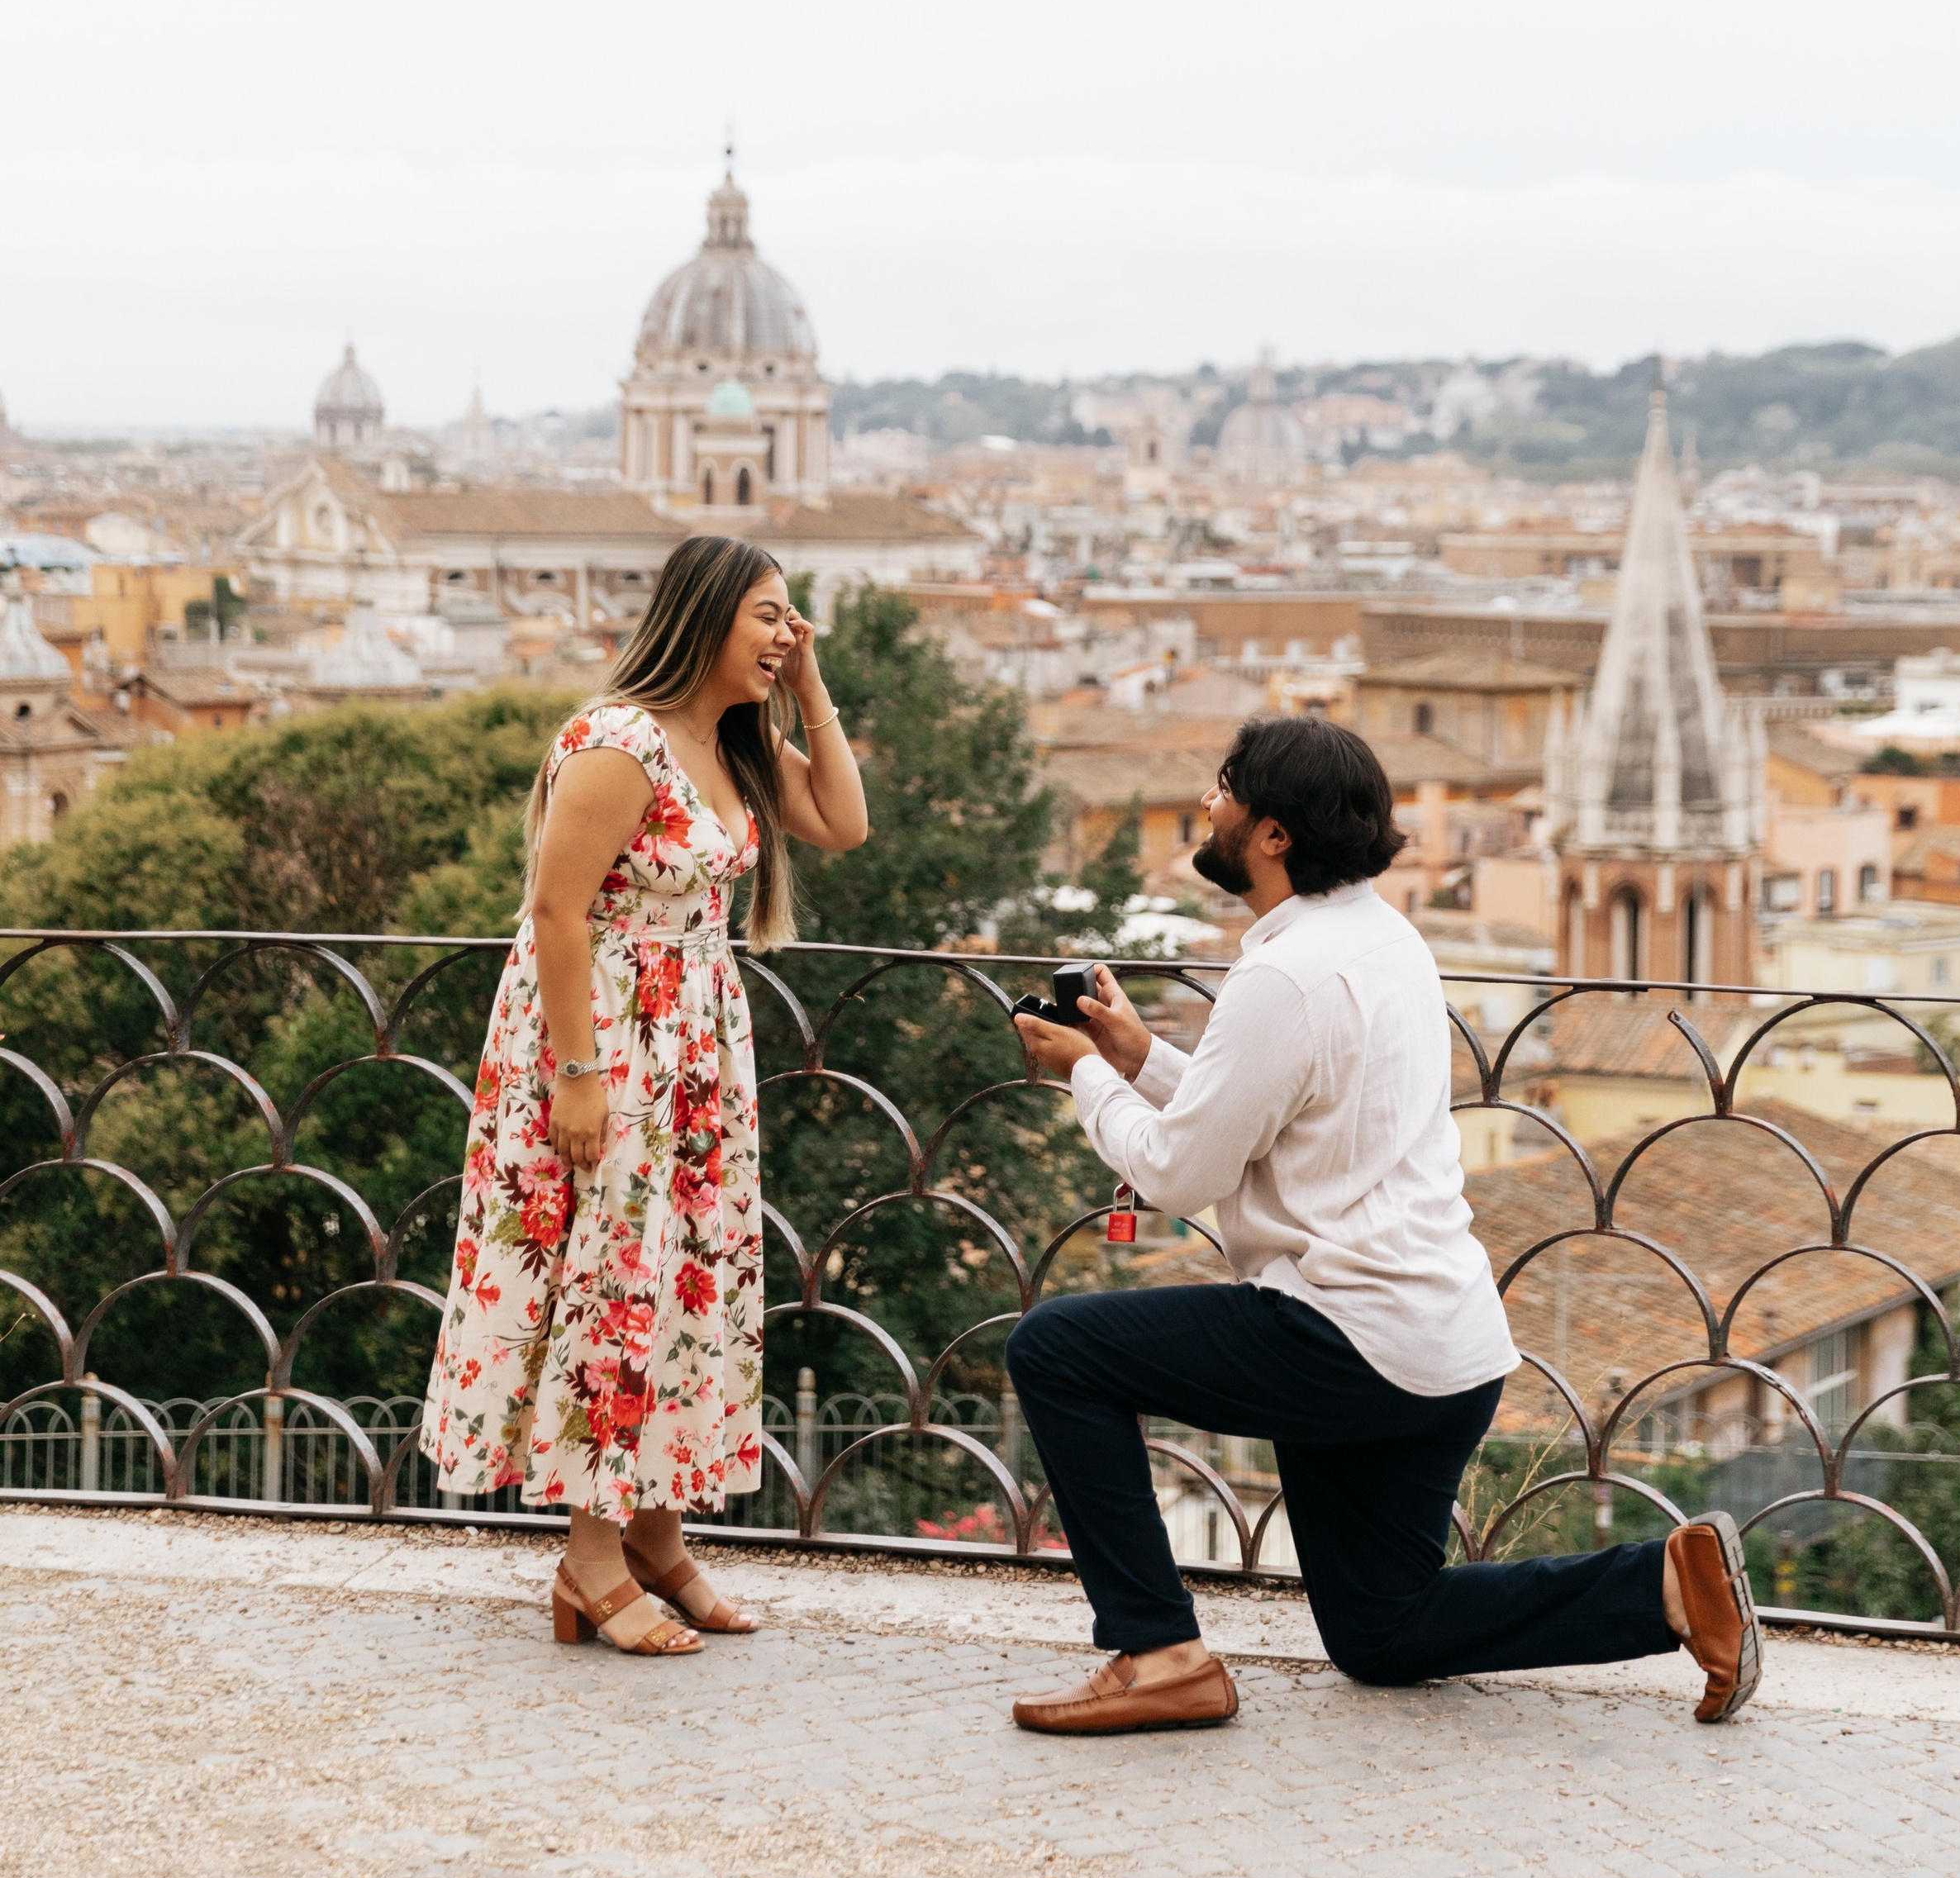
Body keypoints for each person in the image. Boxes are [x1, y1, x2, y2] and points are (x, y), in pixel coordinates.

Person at [1005, 715, 1758, 1736]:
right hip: (1444, 1348)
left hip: (1342, 1341)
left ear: (1272, 834)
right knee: (1381, 1633)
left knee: (1058, 1349)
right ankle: (1667, 1587)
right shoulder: (1383, 939)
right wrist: (1139, 1059)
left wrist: (1086, 1075)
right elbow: (1271, 1119)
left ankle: (1158, 1653)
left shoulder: (1280, 975)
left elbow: (1182, 1172)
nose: (1205, 807)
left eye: (1223, 790)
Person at [421, 535, 868, 1656]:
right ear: (705, 615)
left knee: (683, 1283)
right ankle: (589, 1557)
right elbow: (558, 913)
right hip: (607, 1043)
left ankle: (659, 1537)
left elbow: (843, 824)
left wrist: (809, 689)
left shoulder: (732, 740)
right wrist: (579, 1078)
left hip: (695, 1052)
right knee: (610, 1281)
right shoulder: (618, 740)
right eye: (768, 617)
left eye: (790, 619)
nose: (784, 633)